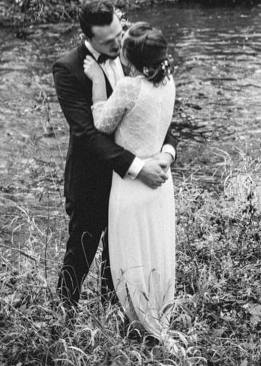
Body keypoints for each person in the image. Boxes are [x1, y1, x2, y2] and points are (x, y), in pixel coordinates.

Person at [51, 0, 176, 309]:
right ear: (88, 38)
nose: (118, 43)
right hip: (91, 184)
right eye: (109, 42)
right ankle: (61, 323)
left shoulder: (134, 52)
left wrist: (167, 153)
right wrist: (137, 167)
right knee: (79, 259)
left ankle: (114, 323)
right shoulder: (67, 69)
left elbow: (156, 112)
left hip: (130, 191)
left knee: (120, 261)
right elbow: (87, 134)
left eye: (120, 34)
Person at [83, 21, 177, 339]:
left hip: (132, 184)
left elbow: (100, 124)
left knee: (130, 255)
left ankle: (138, 325)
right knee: (156, 249)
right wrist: (167, 154)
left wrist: (98, 80)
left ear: (130, 58)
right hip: (161, 182)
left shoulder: (127, 87)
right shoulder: (169, 83)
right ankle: (157, 317)